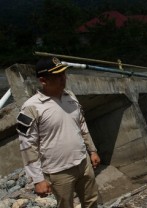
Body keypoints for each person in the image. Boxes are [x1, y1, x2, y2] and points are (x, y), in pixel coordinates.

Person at [16, 57, 101, 208]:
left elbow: (82, 125)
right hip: (58, 171)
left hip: (83, 162)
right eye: (57, 76)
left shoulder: (70, 97)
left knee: (92, 201)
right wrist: (38, 179)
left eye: (63, 74)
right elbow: (28, 146)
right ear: (43, 80)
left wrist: (92, 150)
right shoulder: (31, 107)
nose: (63, 79)